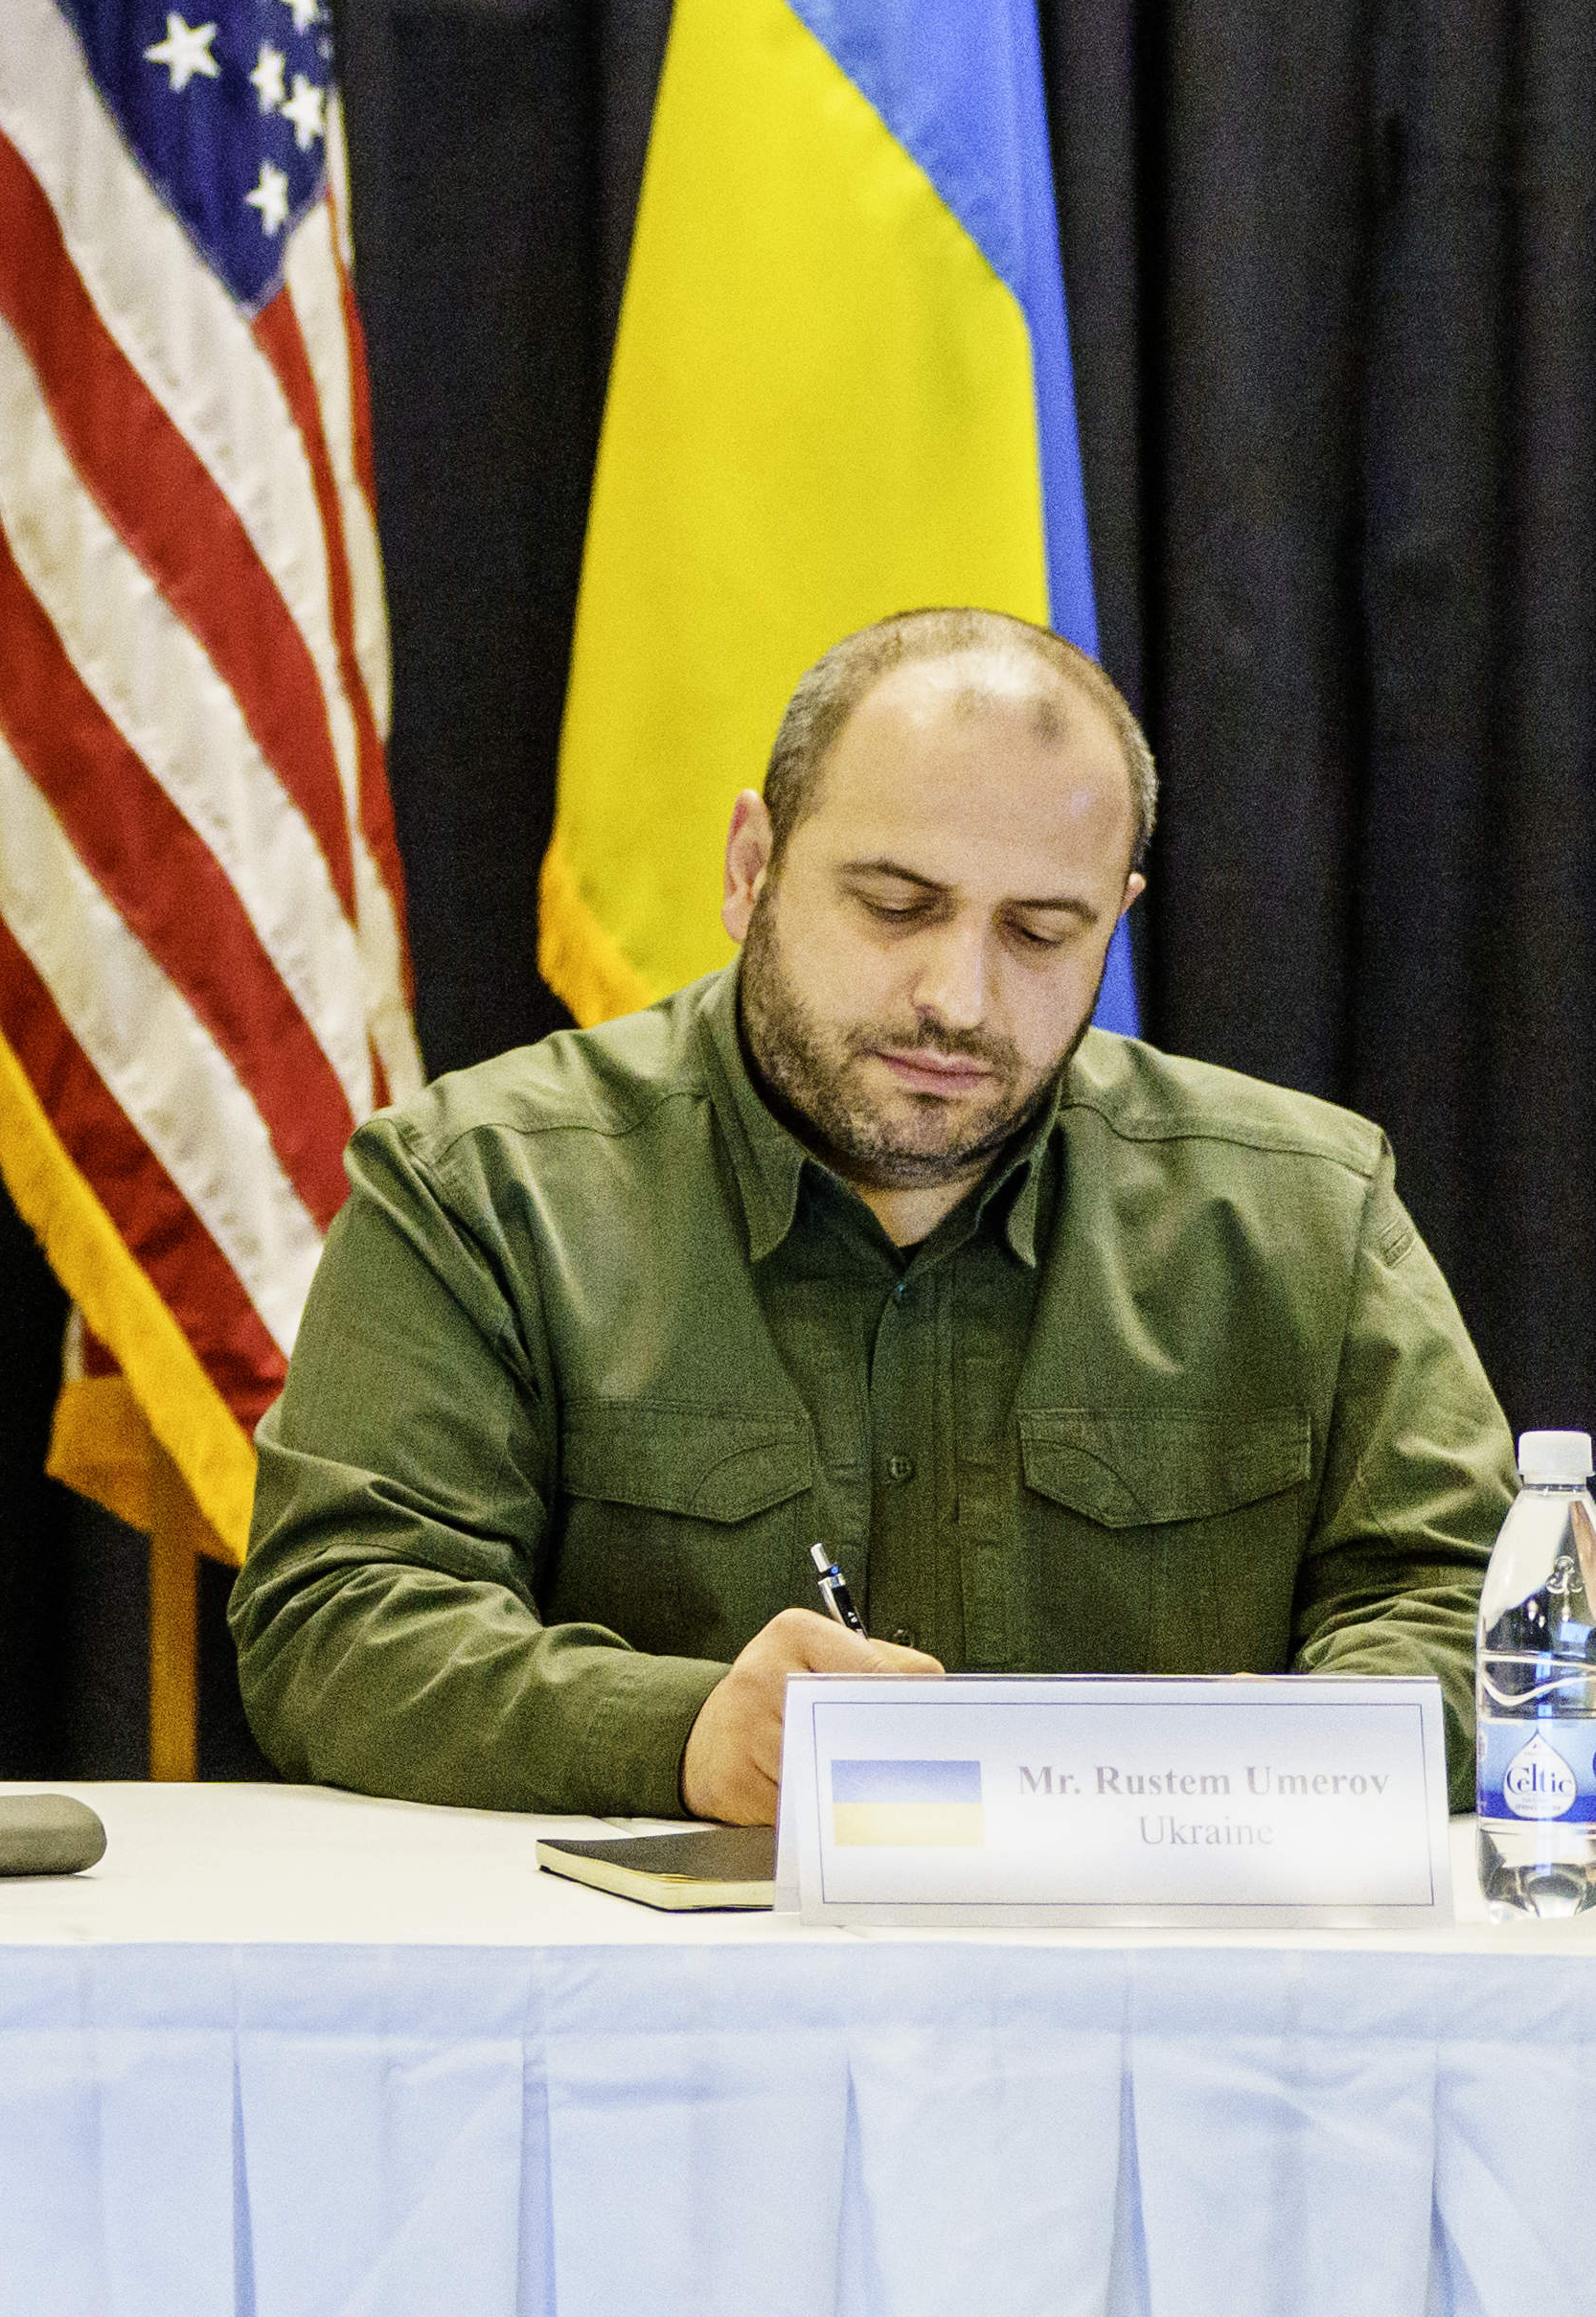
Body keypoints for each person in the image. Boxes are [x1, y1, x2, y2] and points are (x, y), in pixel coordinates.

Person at [240, 608, 1504, 1823]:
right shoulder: (480, 1187)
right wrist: (681, 1732)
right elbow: (335, 1618)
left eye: (1038, 932)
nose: (958, 996)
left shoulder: (1304, 1210)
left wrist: (1277, 1750)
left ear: (1113, 922)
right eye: (896, 905)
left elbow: (1478, 1609)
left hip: (1161, 1956)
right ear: (750, 868)